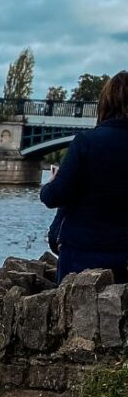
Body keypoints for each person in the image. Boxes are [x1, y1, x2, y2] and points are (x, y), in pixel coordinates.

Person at [41, 71, 128, 284]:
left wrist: (50, 185)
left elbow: (55, 196)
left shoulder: (86, 142)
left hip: (82, 255)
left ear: (105, 103)